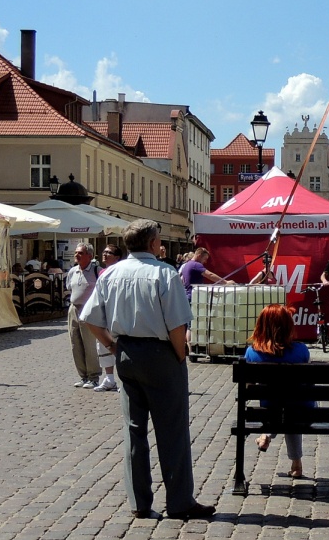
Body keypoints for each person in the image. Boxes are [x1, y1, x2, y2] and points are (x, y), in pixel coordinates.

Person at [80, 219, 216, 521]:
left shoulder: (110, 273)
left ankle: (139, 502)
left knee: (134, 431)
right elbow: (178, 325)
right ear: (153, 243)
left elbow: (89, 318)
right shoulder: (163, 273)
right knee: (172, 431)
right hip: (161, 353)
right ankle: (179, 501)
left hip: (127, 352)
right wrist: (180, 355)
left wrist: (113, 346)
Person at [244, 304, 311, 478]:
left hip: (269, 412)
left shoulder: (252, 353)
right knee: (293, 405)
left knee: (279, 407)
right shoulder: (302, 351)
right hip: (302, 413)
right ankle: (296, 464)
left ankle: (267, 434)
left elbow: (247, 387)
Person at [65, 243, 100, 389]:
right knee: (75, 343)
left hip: (89, 310)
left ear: (89, 256)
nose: (77, 255)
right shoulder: (73, 271)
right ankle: (83, 376)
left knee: (89, 344)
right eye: (76, 253)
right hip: (74, 309)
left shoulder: (96, 270)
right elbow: (69, 288)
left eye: (80, 253)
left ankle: (94, 377)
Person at [91, 244, 123, 392]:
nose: (105, 254)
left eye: (109, 252)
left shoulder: (122, 271)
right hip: (105, 314)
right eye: (104, 251)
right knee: (103, 345)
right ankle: (109, 378)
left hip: (118, 314)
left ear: (117, 257)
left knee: (120, 347)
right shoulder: (102, 271)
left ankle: (124, 380)